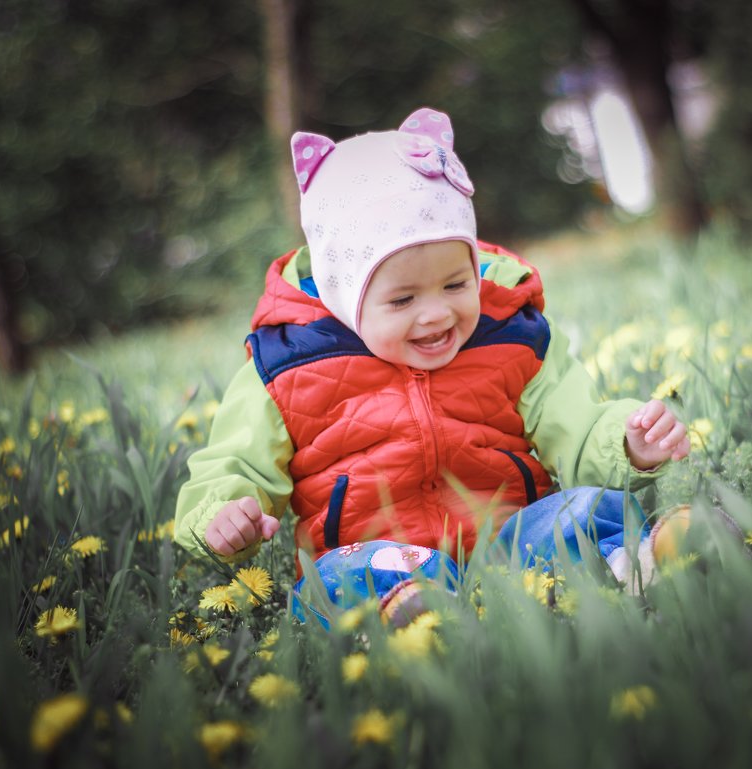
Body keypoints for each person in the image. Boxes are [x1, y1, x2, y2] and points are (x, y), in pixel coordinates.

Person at [173, 108, 691, 621]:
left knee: (580, 511)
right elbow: (234, 464)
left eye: (455, 284)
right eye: (402, 300)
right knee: (337, 578)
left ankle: (655, 560)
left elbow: (576, 426)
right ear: (343, 296)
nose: (437, 312)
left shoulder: (510, 334)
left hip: (511, 543)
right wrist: (225, 512)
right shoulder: (285, 366)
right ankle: (414, 616)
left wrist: (627, 443)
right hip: (380, 554)